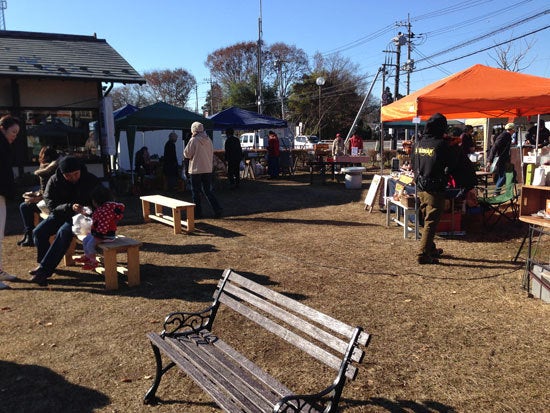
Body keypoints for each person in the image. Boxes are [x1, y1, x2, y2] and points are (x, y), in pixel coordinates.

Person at [29, 156, 100, 286]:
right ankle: (43, 263)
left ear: (80, 170)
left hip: (81, 218)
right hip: (60, 214)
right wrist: (69, 206)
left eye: (76, 174)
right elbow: (50, 204)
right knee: (39, 232)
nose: (73, 177)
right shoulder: (54, 180)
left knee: (63, 233)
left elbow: (100, 201)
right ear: (62, 174)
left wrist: (87, 209)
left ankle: (44, 271)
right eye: (69, 175)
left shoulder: (91, 180)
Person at [412, 113, 457, 265]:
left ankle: (430, 248)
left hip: (420, 186)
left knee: (425, 219)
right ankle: (423, 254)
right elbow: (451, 164)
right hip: (435, 187)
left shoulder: (418, 143)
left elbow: (414, 164)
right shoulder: (441, 145)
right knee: (431, 221)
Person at [17, 146, 59, 247]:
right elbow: (45, 190)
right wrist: (36, 194)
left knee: (25, 206)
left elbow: (51, 193)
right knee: (26, 205)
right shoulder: (48, 168)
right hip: (47, 200)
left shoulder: (49, 171)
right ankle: (28, 234)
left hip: (52, 204)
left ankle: (30, 235)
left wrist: (37, 198)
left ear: (45, 157)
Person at [75, 186, 125, 271]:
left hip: (106, 236)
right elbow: (97, 218)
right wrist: (87, 215)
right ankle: (87, 256)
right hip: (100, 233)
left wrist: (98, 236)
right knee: (85, 240)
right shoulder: (104, 209)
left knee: (90, 245)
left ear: (96, 201)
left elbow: (103, 225)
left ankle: (93, 261)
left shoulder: (105, 212)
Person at [183, 122, 222, 219]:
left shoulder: (194, 140)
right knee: (208, 191)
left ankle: (198, 213)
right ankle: (217, 209)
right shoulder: (208, 139)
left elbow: (187, 154)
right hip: (207, 169)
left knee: (196, 192)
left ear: (193, 130)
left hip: (196, 170)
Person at [0, 115, 21, 288]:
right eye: (13, 131)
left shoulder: (4, 145)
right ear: (3, 128)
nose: (15, 135)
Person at [487, 123, 514, 195]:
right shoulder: (504, 135)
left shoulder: (507, 136)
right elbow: (494, 147)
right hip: (501, 159)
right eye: (514, 130)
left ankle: (497, 191)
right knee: (504, 175)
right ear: (512, 130)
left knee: (504, 175)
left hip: (504, 159)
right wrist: (490, 160)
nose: (514, 132)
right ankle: (496, 191)